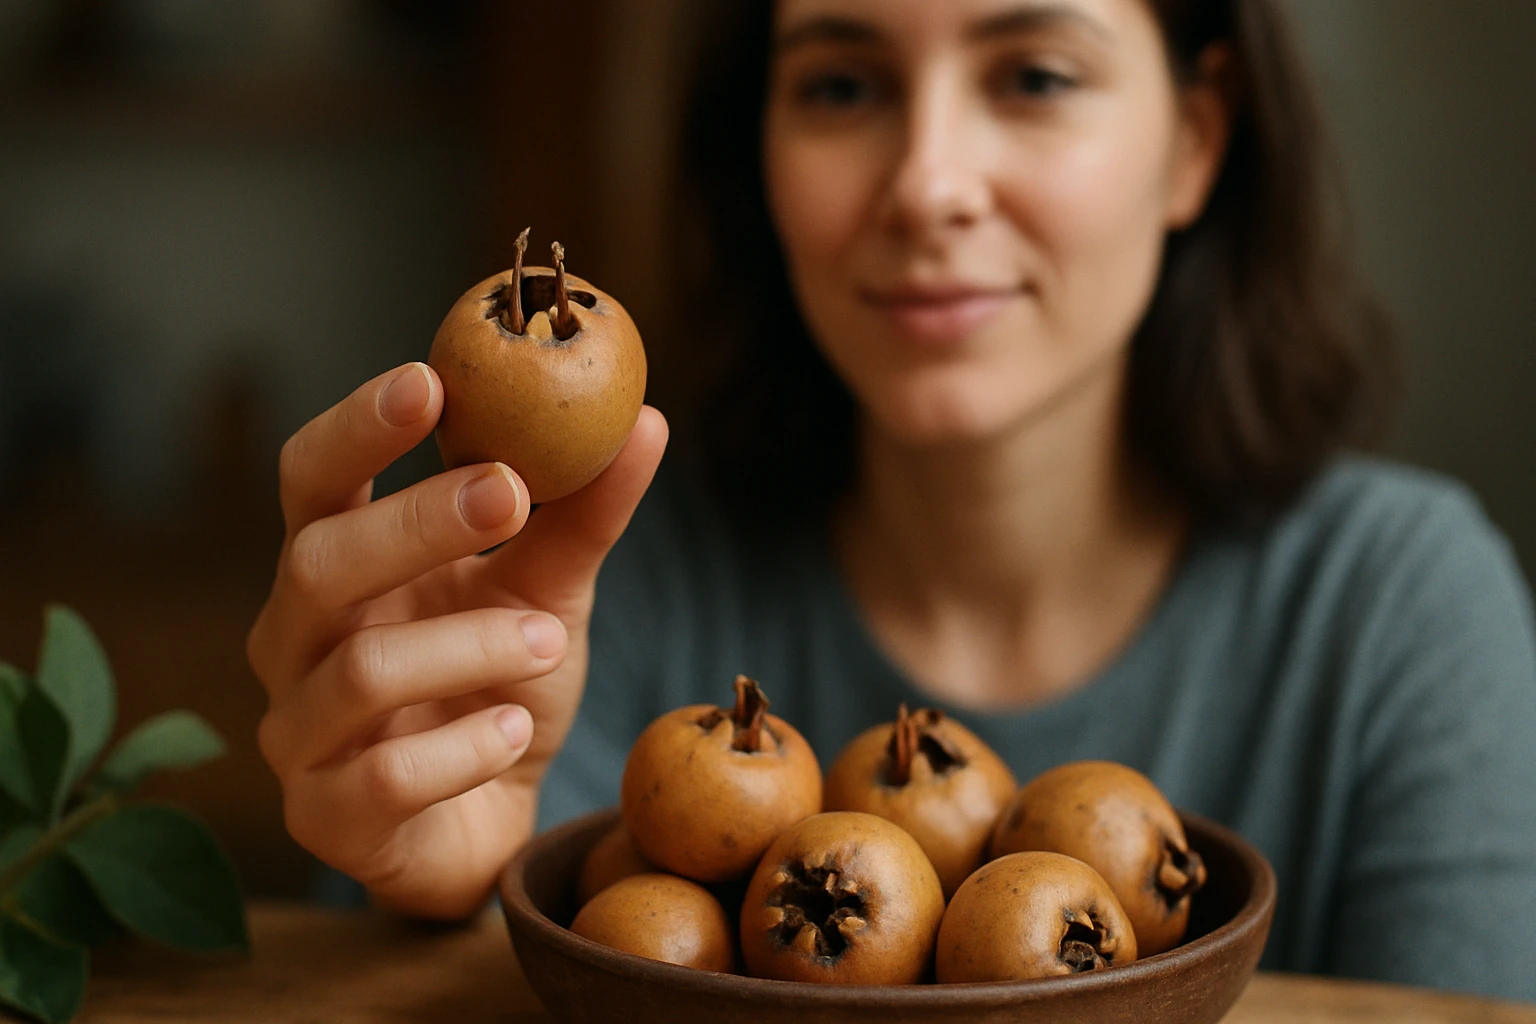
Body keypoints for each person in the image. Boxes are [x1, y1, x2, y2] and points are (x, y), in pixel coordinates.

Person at [245, 0, 1536, 1002]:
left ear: (1196, 140)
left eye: (1034, 75)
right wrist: (439, 895)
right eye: (842, 85)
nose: (927, 185)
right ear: (761, 144)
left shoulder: (1402, 615)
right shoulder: (577, 584)